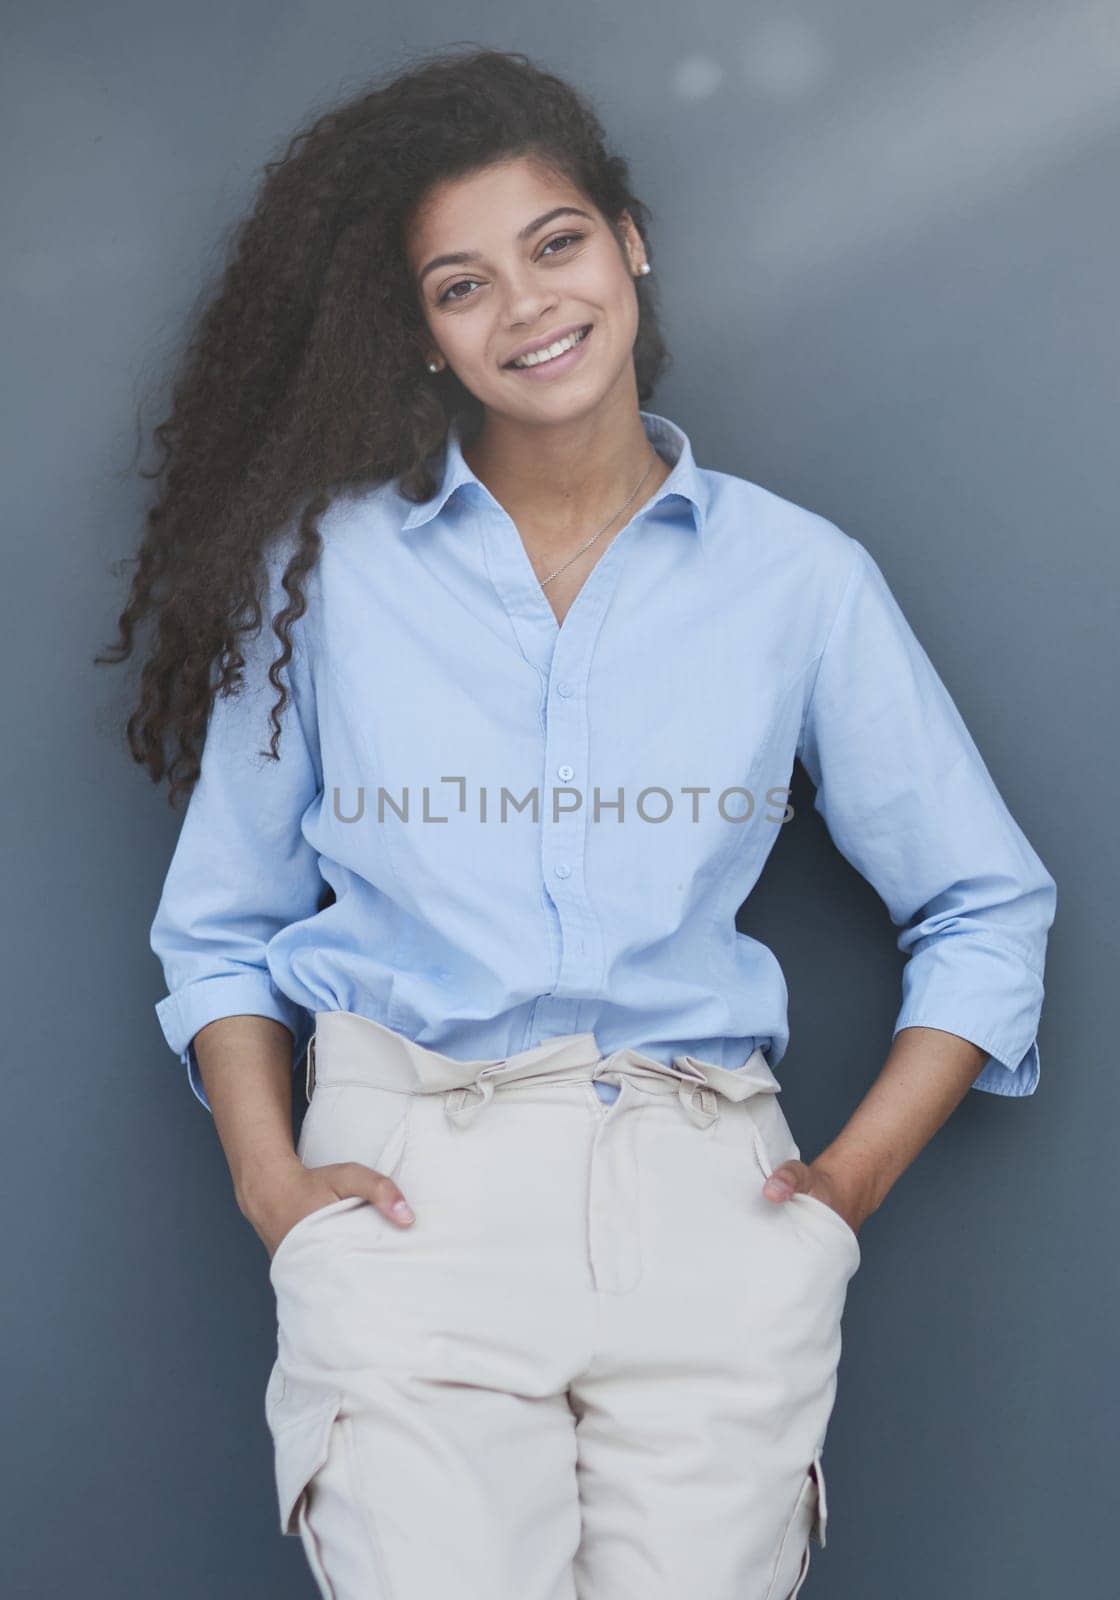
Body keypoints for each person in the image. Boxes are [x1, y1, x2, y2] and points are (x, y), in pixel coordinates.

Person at [108, 44, 1057, 1600]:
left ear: (629, 241)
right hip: (412, 1196)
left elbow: (985, 904)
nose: (529, 307)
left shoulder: (798, 580)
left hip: (711, 1207)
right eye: (460, 284)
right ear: (418, 334)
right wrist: (273, 1190)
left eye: (554, 245)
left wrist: (842, 1194)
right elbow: (217, 926)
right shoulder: (329, 576)